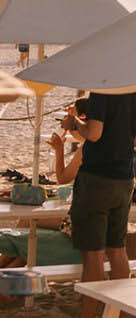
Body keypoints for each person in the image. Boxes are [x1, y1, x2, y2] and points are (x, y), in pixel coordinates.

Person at [65, 86, 136, 318]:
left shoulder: (104, 88)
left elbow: (94, 133)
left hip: (97, 178)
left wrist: (75, 124)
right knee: (117, 250)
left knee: (93, 256)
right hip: (124, 178)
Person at [0, 98, 88, 274]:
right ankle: (7, 273)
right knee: (31, 231)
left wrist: (59, 150)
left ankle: (5, 273)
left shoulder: (87, 148)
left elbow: (63, 178)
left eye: (72, 118)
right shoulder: (98, 144)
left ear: (82, 118)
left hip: (82, 222)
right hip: (92, 216)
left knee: (28, 221)